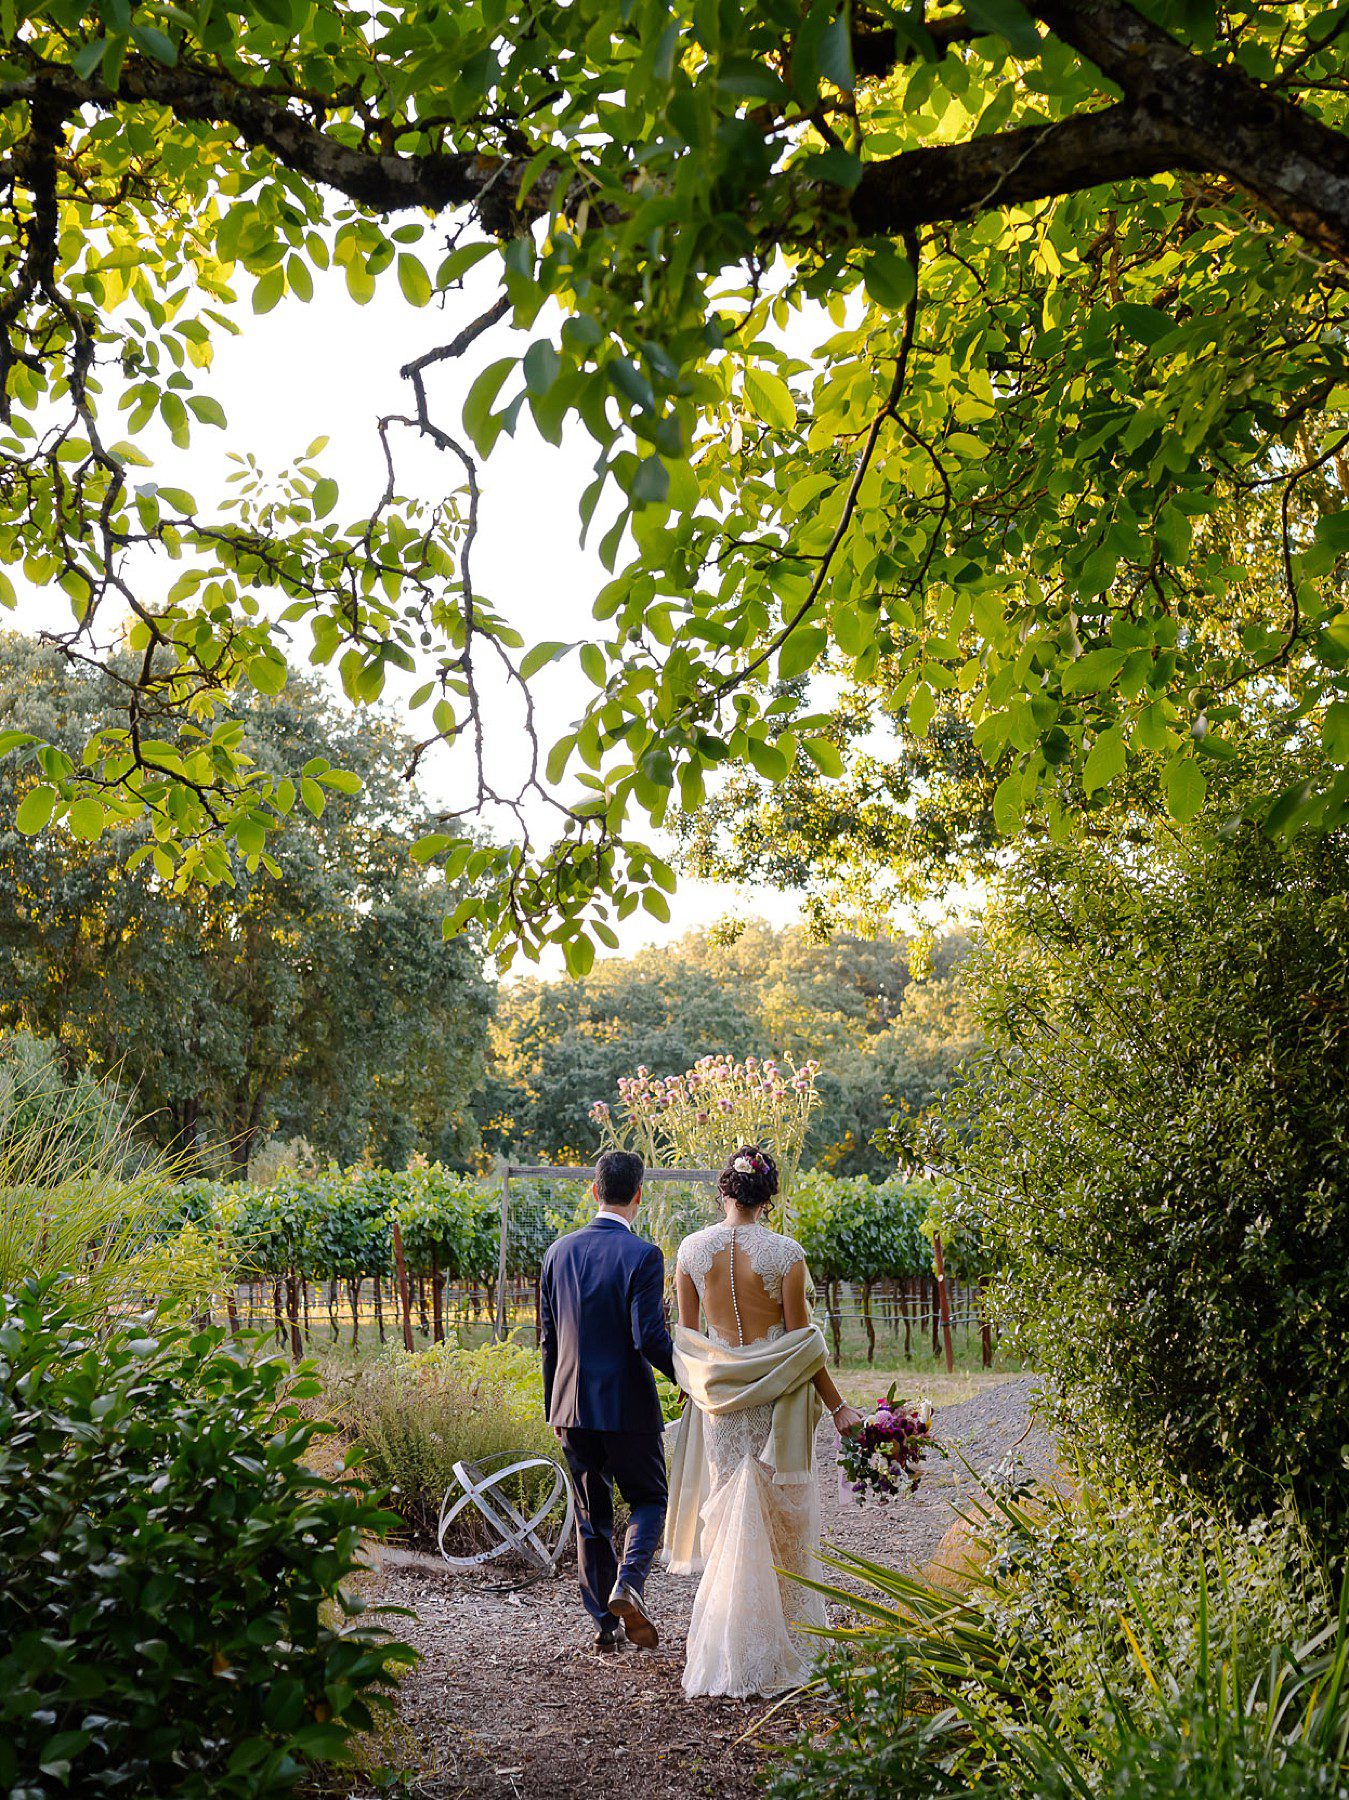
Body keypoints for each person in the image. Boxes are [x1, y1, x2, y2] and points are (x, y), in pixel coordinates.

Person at [664, 1145, 864, 1698]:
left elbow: (690, 1340)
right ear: (768, 1198)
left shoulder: (690, 1250)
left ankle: (732, 1645)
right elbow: (801, 1349)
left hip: (720, 1405)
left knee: (728, 1513)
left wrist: (696, 1393)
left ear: (724, 1191)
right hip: (776, 1402)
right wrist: (838, 1406)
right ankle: (789, 1644)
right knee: (783, 1522)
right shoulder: (785, 1255)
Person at [539, 1147, 676, 1652]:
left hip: (571, 1406)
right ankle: (630, 1583)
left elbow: (549, 1340)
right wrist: (686, 1376)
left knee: (589, 1515)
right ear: (638, 1195)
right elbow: (650, 1338)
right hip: (628, 1408)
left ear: (595, 1190)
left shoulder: (557, 1253)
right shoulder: (643, 1255)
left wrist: (553, 1405)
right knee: (649, 1497)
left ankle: (604, 1626)